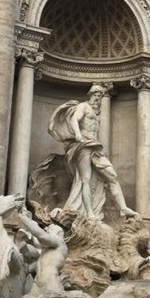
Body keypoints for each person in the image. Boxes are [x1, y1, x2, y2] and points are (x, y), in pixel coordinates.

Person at [48, 85, 137, 220]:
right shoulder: (83, 106)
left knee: (112, 176)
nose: (98, 98)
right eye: (96, 95)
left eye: (100, 96)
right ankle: (89, 213)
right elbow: (74, 120)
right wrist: (78, 134)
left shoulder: (97, 114)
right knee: (86, 180)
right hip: (83, 145)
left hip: (95, 147)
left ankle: (123, 208)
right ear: (91, 95)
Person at [16, 206, 69, 298]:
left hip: (50, 283)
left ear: (59, 233)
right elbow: (27, 269)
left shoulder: (60, 243)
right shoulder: (46, 252)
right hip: (36, 286)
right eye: (46, 230)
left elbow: (42, 237)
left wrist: (23, 217)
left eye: (50, 230)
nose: (46, 230)